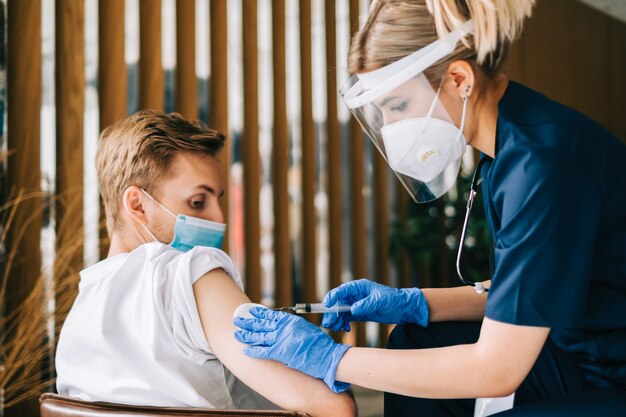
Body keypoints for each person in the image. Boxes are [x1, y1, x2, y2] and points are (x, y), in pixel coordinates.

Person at [233, 0, 626, 415]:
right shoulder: (508, 151)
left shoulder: (543, 166)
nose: (390, 131)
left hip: (613, 373)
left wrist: (333, 360)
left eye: (399, 107)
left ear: (459, 79)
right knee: (414, 338)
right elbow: (525, 291)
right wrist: (416, 301)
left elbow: (497, 368)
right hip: (582, 353)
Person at [55, 110, 355, 417]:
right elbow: (334, 408)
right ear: (137, 204)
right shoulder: (190, 274)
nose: (219, 218)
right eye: (198, 202)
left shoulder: (82, 307)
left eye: (218, 199)